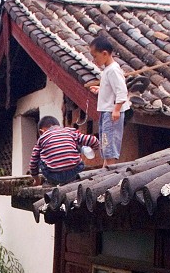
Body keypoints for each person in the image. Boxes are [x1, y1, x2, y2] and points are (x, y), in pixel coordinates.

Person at [88, 36, 131, 166]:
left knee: (110, 147)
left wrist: (116, 110)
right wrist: (101, 90)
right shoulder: (108, 69)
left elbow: (121, 91)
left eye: (95, 56)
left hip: (111, 113)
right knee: (106, 146)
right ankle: (105, 170)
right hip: (106, 112)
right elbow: (112, 89)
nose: (94, 60)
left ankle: (109, 172)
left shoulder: (113, 70)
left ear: (105, 54)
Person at [28, 116, 100, 186]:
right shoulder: (70, 131)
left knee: (39, 157)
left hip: (54, 176)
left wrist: (37, 180)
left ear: (41, 132)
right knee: (77, 147)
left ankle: (51, 182)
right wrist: (96, 148)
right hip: (75, 172)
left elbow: (33, 162)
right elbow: (92, 140)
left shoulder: (42, 138)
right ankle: (72, 178)